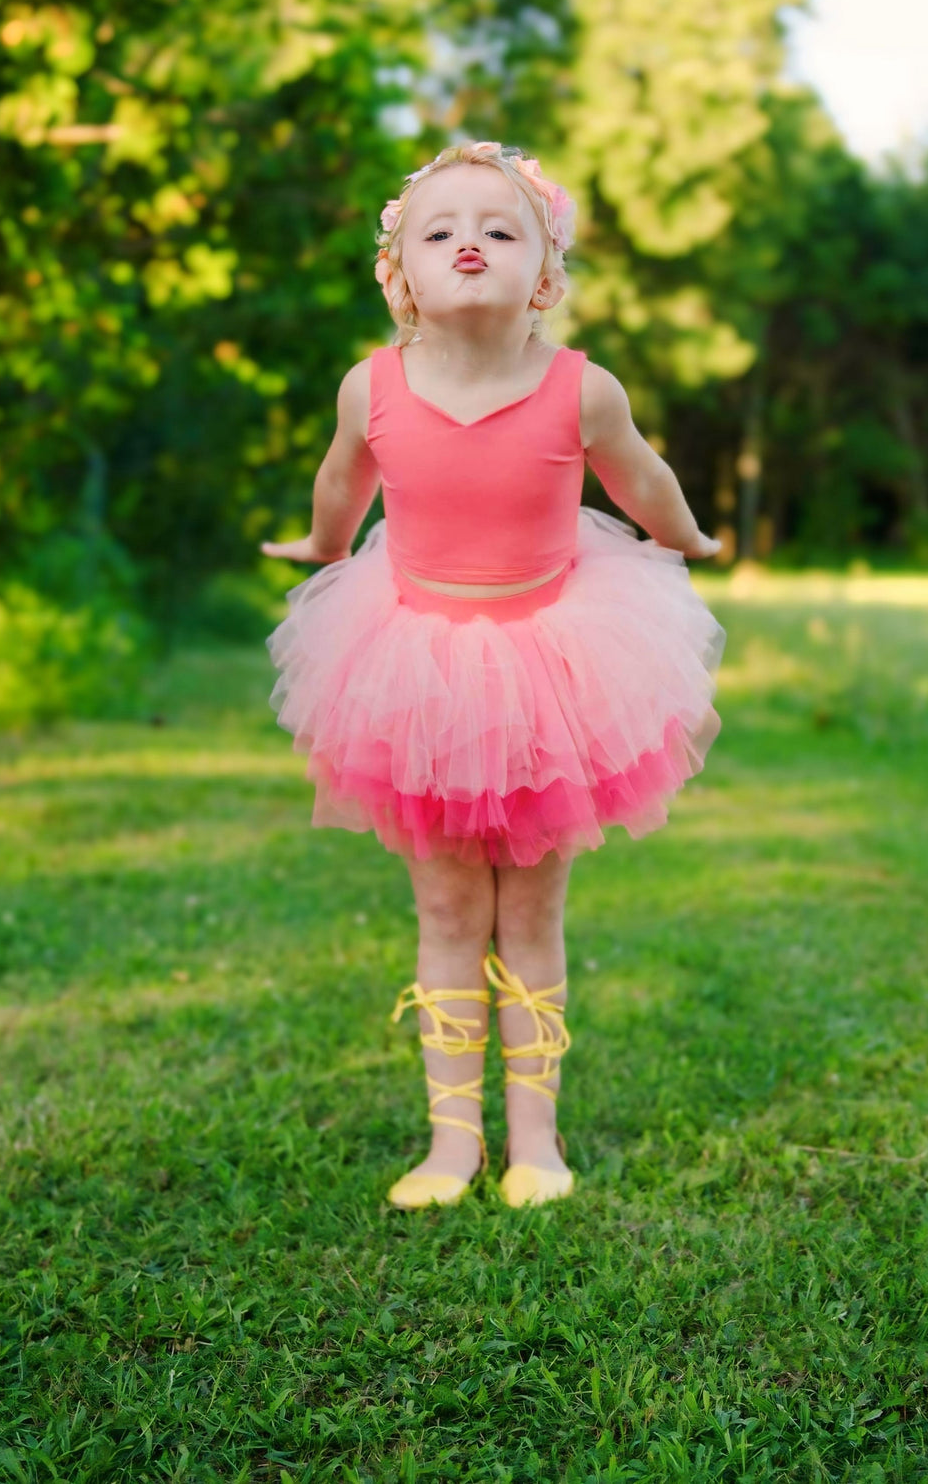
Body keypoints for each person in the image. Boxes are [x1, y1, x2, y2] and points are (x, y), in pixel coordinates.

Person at [262, 142, 724, 1211]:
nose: (469, 240)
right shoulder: (370, 385)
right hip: (415, 670)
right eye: (440, 229)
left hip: (555, 666)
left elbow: (641, 477)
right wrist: (323, 549)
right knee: (444, 903)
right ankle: (449, 1141)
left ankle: (536, 1140)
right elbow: (343, 482)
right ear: (401, 277)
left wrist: (685, 532)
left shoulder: (580, 389)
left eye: (500, 227)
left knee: (530, 910)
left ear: (544, 276)